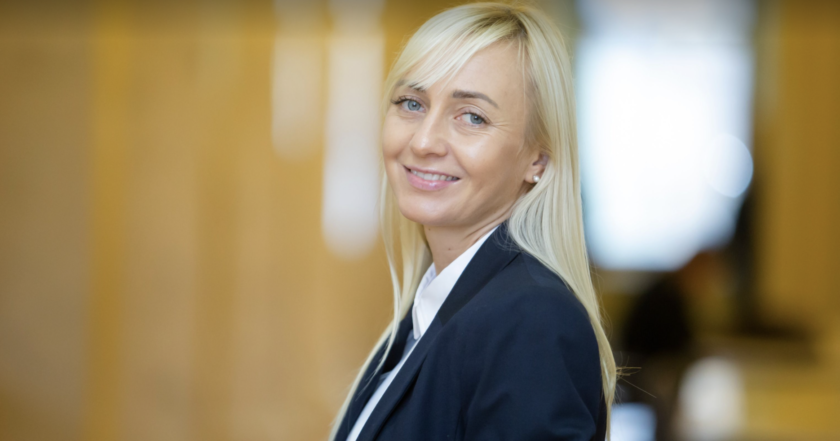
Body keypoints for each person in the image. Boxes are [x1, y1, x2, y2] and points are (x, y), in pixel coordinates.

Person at [330, 3, 616, 440]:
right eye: (412, 103)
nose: (424, 141)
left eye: (472, 117)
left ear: (537, 159)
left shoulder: (532, 320)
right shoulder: (435, 310)